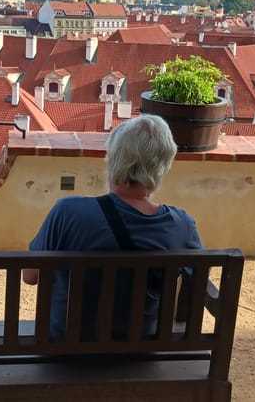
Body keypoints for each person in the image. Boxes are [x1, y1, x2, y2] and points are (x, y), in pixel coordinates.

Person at [22, 114, 204, 340]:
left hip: (67, 349)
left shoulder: (67, 212)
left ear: (113, 159)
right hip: (140, 351)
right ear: (164, 165)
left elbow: (30, 276)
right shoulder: (182, 225)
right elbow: (197, 282)